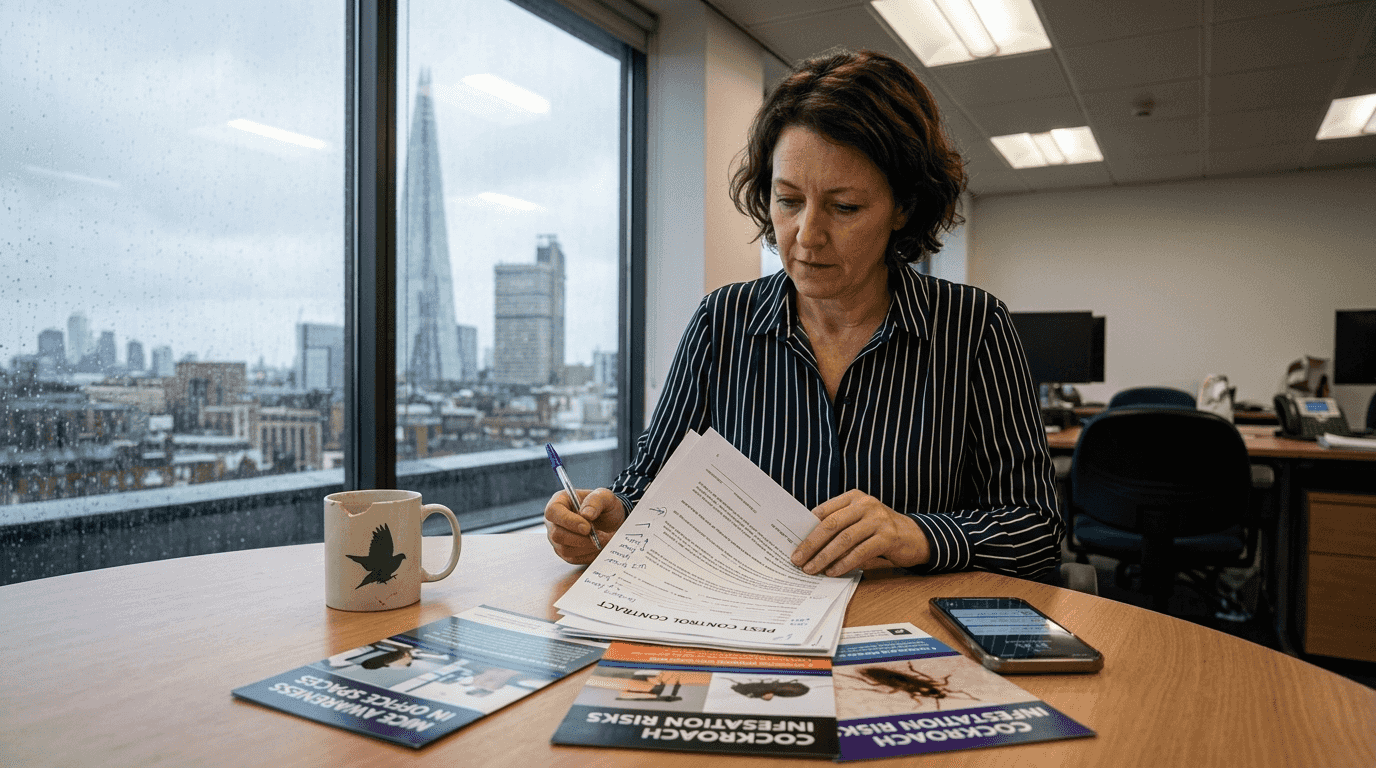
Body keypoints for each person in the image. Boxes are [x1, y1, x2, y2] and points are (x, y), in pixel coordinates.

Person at [545, 49, 1061, 580]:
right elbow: (652, 480)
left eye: (844, 208)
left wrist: (920, 535)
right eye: (788, 200)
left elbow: (1037, 529)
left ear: (903, 208)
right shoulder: (723, 321)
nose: (807, 236)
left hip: (907, 635)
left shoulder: (974, 328)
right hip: (751, 624)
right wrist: (615, 515)